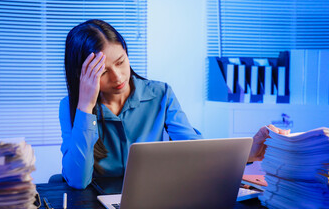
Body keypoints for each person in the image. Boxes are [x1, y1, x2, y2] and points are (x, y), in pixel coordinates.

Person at [59, 19, 289, 189]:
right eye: (103, 72)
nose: (118, 77)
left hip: (156, 196)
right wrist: (85, 108)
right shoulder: (73, 108)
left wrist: (248, 152)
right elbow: (78, 180)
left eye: (121, 62)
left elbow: (196, 151)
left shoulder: (161, 94)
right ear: (82, 75)